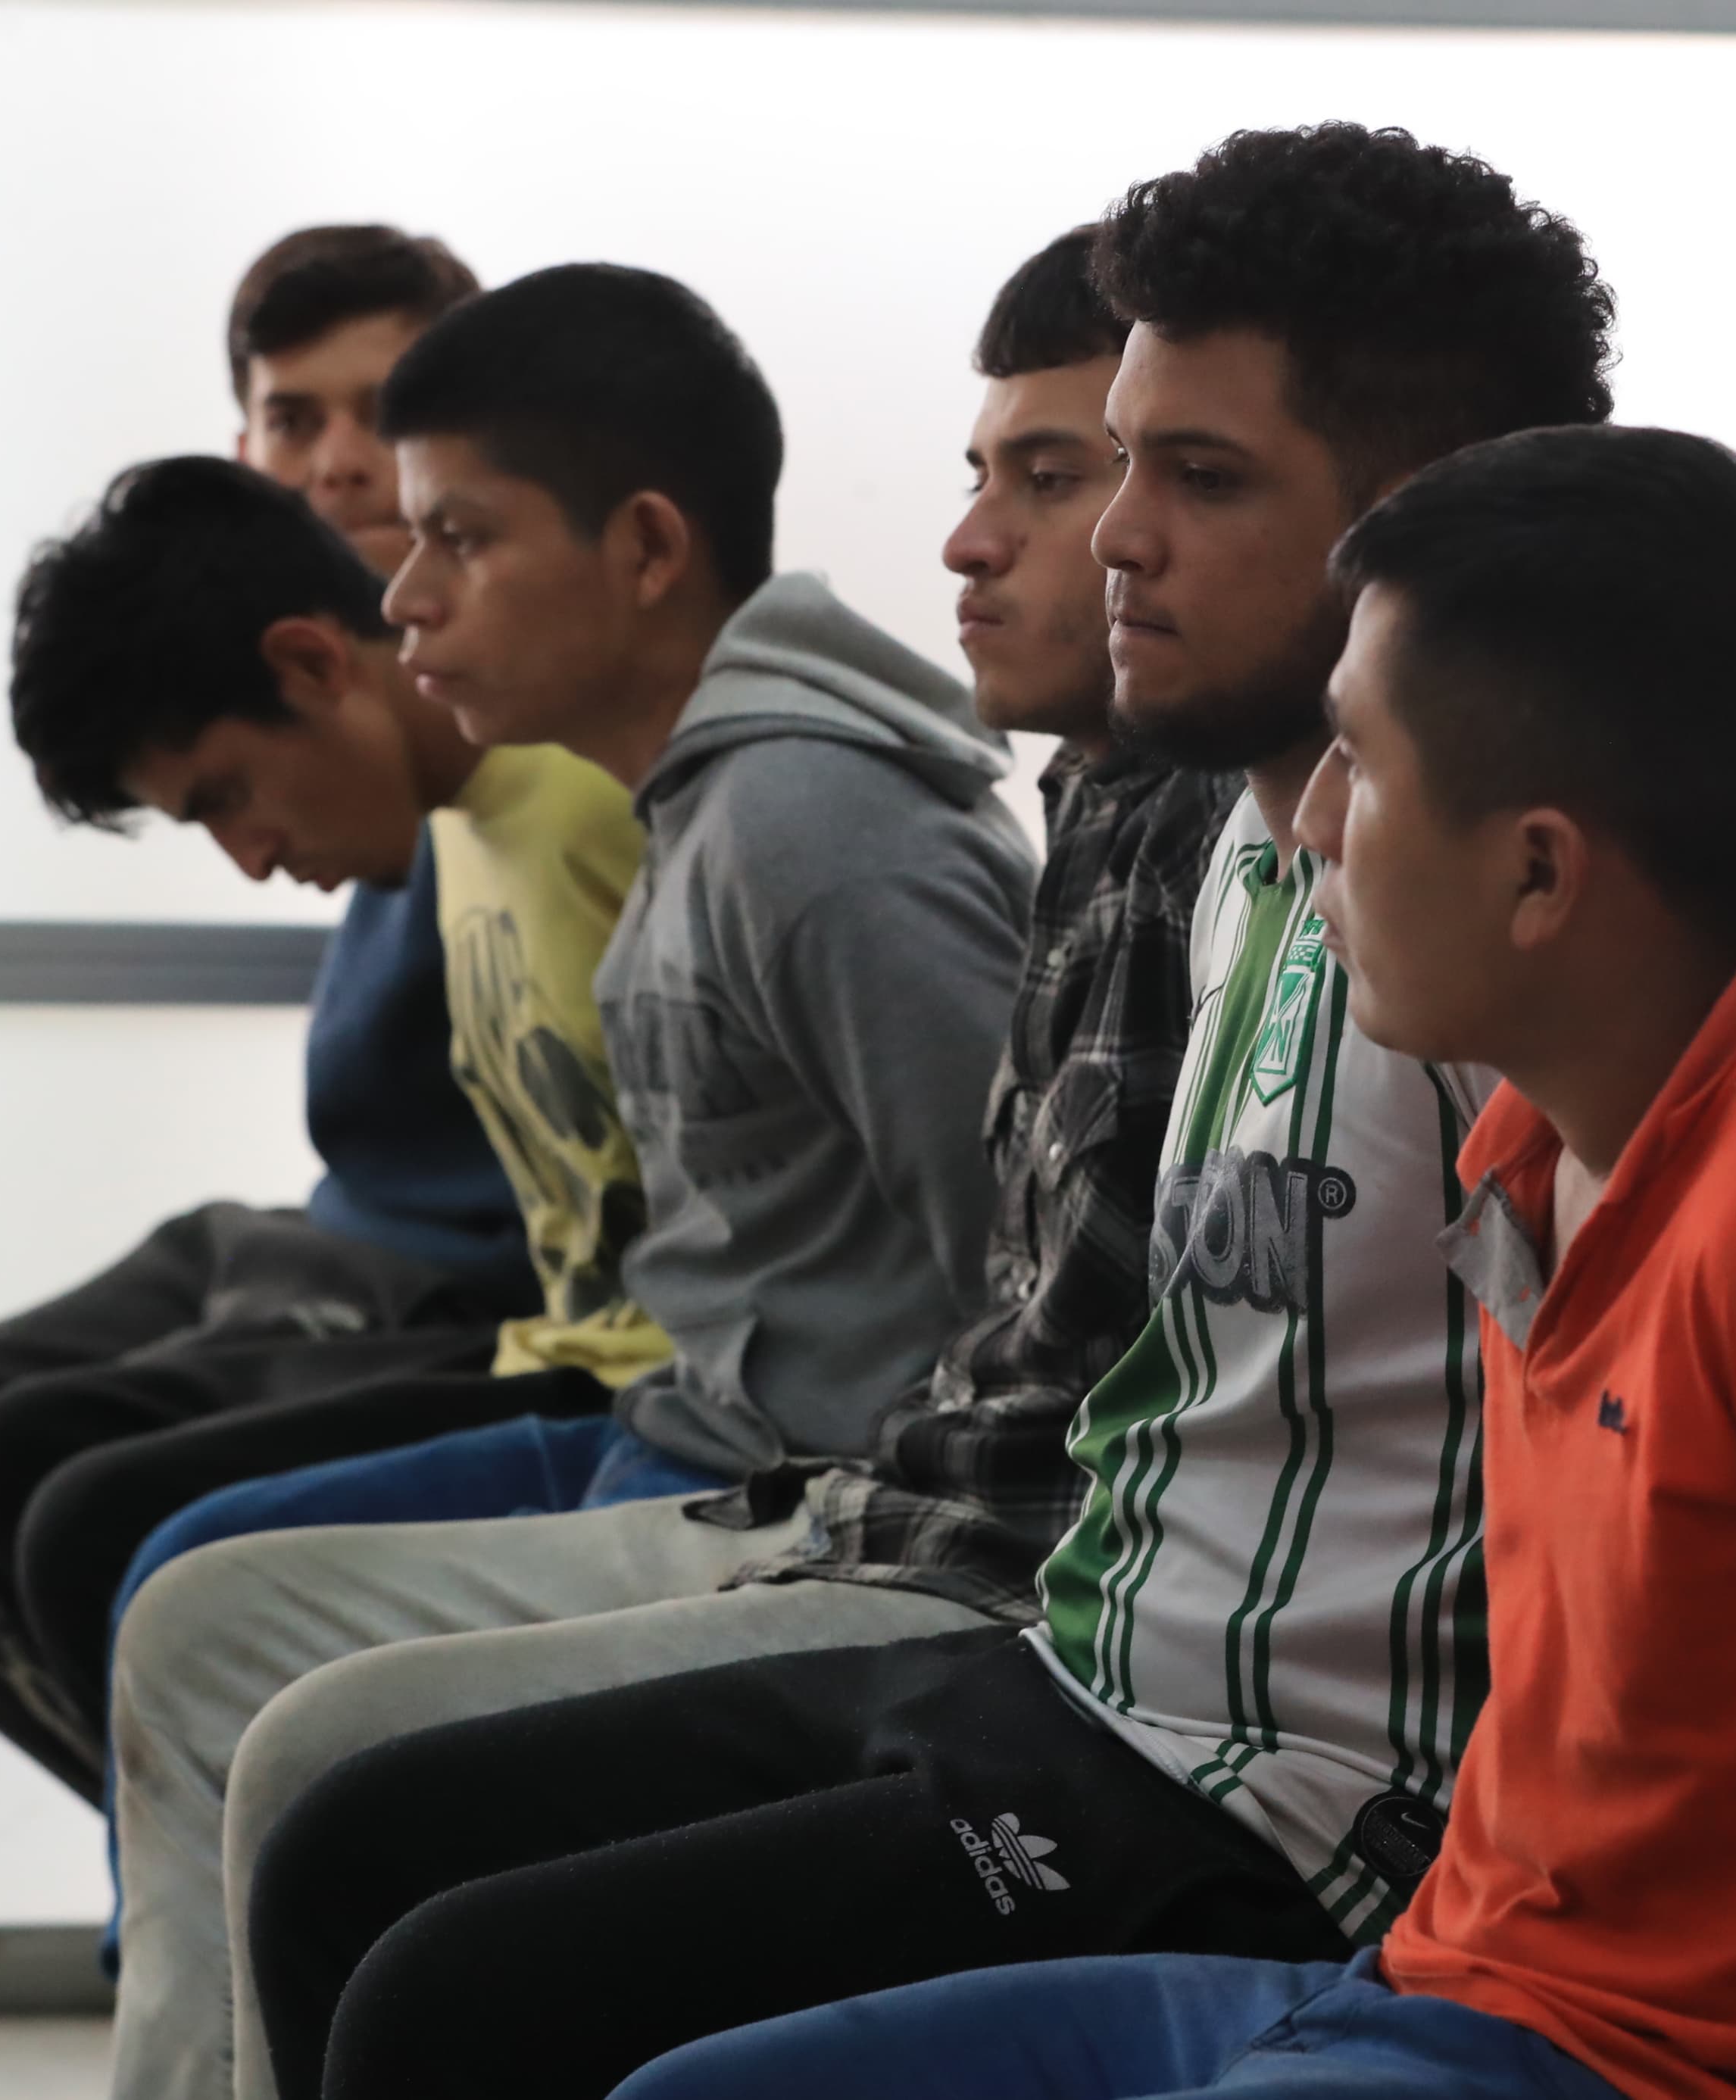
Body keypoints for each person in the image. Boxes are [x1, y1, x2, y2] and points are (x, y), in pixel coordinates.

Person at [613, 426, 1736, 2100]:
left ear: (1535, 871)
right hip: (1441, 1980)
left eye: (1357, 764)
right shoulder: (1553, 1126)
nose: (1306, 831)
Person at [228, 123, 1618, 2100]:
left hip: (1283, 1808)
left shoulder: (1525, 937)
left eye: (1188, 476)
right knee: (357, 1845)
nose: (1099, 537)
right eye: (1095, 463)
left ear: (1416, 521)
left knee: (466, 1991)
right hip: (1082, 1668)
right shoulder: (1228, 834)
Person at [101, 257, 1038, 2100]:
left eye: (459, 534)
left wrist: (852, 1534)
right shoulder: (699, 799)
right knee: (196, 1606)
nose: (401, 593)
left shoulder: (814, 829)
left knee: (254, 1689)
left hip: (813, 1507)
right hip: (694, 1449)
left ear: (644, 546)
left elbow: (1023, 1292)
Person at [0, 225, 523, 1794]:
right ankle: (202, 1845)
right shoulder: (301, 676)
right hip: (328, 1222)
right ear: (244, 447)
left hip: (461, 1281)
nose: (342, 464)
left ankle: (229, 1869)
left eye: (387, 416)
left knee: (22, 1480)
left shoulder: (511, 730)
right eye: (296, 421)